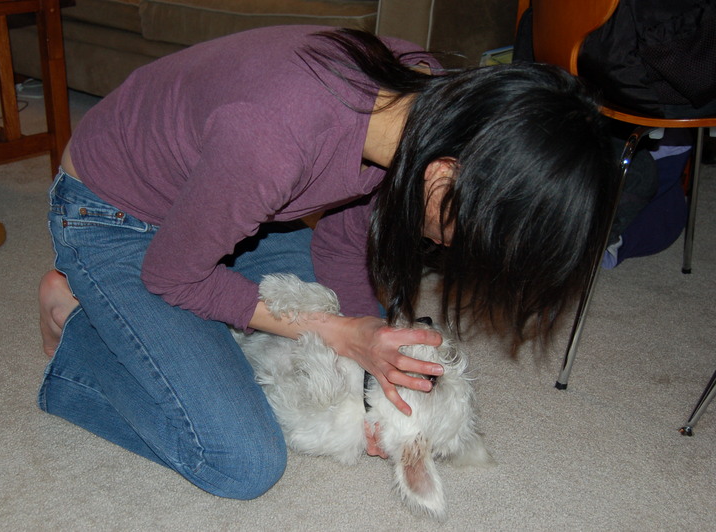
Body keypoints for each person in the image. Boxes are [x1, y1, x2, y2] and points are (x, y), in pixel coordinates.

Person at [38, 25, 617, 500]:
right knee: (240, 460)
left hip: (245, 215)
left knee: (319, 340)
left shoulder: (427, 112)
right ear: (445, 178)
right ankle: (81, 324)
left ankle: (154, 332)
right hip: (119, 219)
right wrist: (339, 331)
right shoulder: (273, 140)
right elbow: (173, 275)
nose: (449, 251)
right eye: (465, 237)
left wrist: (368, 361)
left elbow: (344, 244)